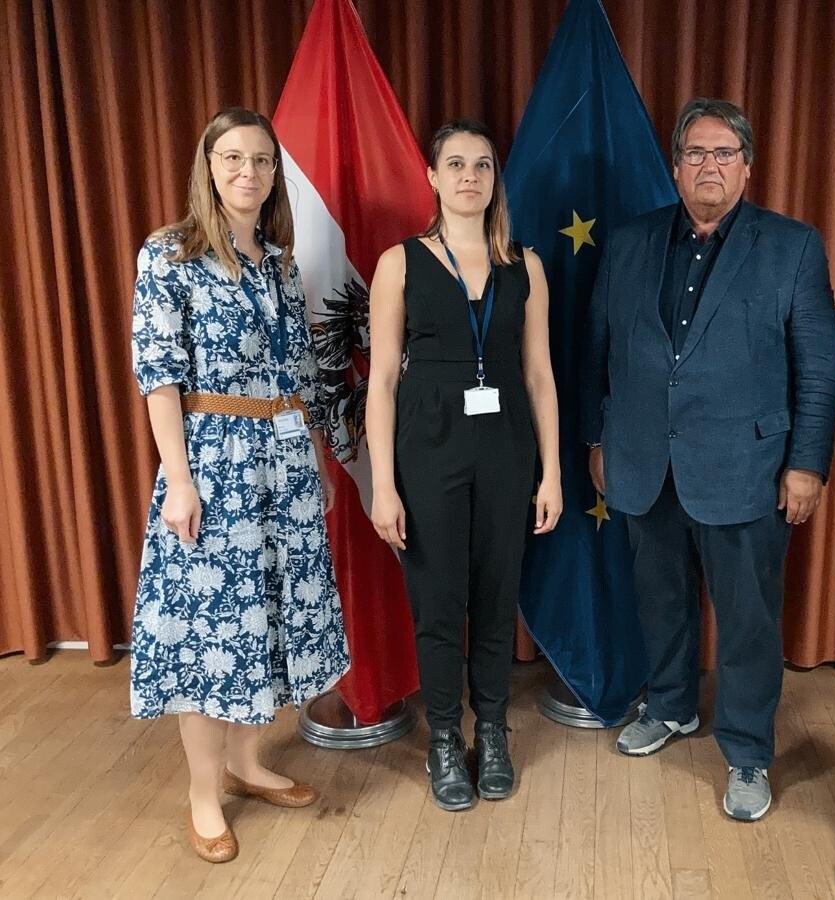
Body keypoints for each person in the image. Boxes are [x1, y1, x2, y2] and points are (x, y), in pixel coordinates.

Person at [581, 98, 835, 821]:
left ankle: (749, 751)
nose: (708, 166)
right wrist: (597, 439)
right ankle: (669, 707)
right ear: (674, 166)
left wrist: (807, 464)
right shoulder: (631, 242)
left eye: (723, 153)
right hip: (642, 463)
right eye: (695, 154)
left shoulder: (792, 246)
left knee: (748, 620)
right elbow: (595, 351)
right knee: (659, 601)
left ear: (747, 167)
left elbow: (818, 368)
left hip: (748, 470)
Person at [129, 107, 350, 864]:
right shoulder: (168, 256)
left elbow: (299, 374)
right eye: (231, 158)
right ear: (208, 166)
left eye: (260, 160)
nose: (247, 172)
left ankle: (249, 763)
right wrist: (180, 481)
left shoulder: (279, 262)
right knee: (209, 631)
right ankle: (202, 792)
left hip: (284, 463)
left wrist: (318, 458)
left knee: (270, 619)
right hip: (213, 462)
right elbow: (159, 376)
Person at [366, 120, 562, 812]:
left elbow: (540, 376)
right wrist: (382, 483)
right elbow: (383, 379)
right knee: (439, 603)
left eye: (482, 165)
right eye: (456, 164)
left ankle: (493, 734)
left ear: (494, 178)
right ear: (433, 176)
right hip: (428, 452)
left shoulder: (525, 265)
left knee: (495, 596)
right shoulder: (401, 263)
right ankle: (446, 739)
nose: (469, 177)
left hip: (507, 454)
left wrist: (553, 474)